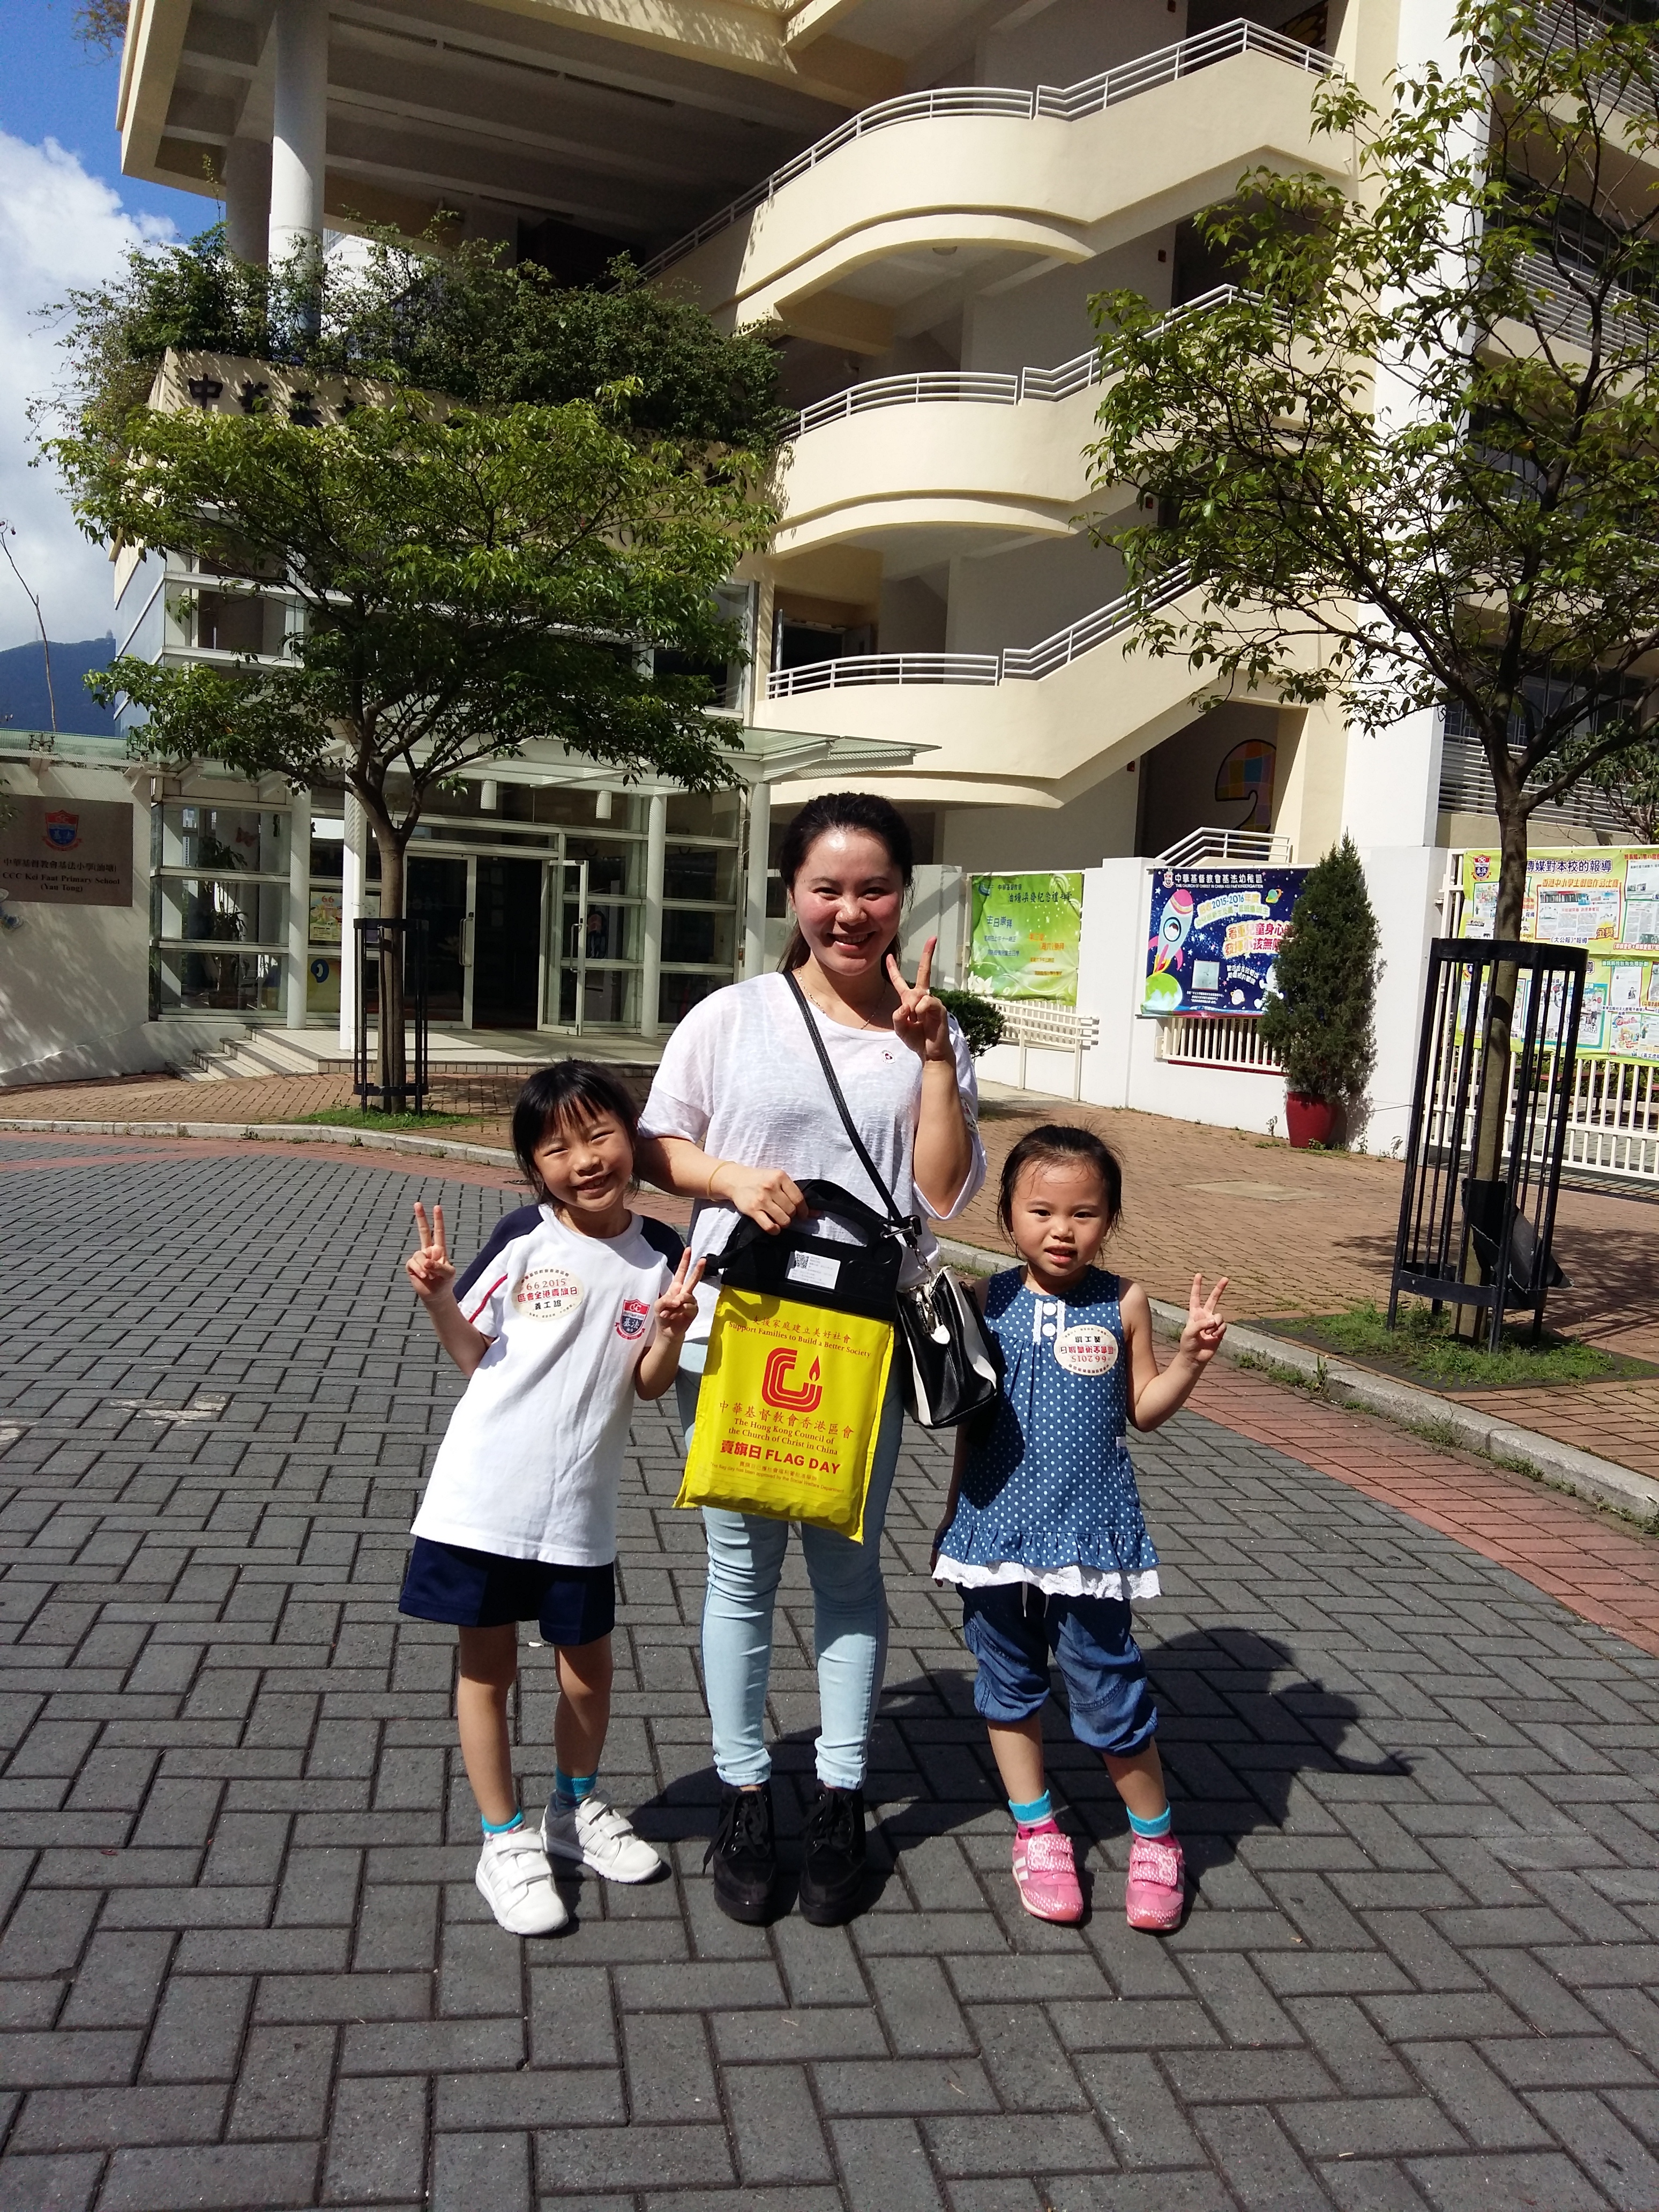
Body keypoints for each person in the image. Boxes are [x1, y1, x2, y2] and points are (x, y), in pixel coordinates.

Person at [637, 791, 985, 1927]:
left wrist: (933, 1063)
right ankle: (745, 1793)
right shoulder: (731, 1016)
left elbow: (943, 1193)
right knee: (740, 1572)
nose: (851, 912)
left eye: (874, 889)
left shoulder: (931, 1031)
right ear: (790, 893)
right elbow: (656, 1147)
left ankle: (839, 1795)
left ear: (904, 898)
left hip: (860, 1339)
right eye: (826, 888)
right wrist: (732, 1178)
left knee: (846, 1568)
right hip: (737, 1327)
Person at [399, 1063, 703, 1937]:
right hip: (483, 1495)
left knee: (588, 1670)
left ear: (631, 1139)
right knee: (487, 1669)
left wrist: (671, 1332)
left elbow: (647, 1385)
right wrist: (440, 1299)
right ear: (535, 1167)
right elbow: (473, 1356)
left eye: (600, 1135)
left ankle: (571, 1811)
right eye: (558, 1148)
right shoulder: (523, 1237)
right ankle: (503, 1840)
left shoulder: (662, 1254)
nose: (585, 1160)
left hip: (579, 1507)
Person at [930, 1124, 1227, 1932]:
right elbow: (969, 1424)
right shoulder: (986, 1300)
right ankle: (1038, 1831)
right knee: (1008, 1682)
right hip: (995, 1533)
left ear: (1110, 1220)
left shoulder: (1123, 1300)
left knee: (1107, 1686)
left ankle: (1156, 1840)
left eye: (1084, 1214)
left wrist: (1189, 1362)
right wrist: (953, 1513)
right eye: (1042, 1212)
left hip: (1090, 1537)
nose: (1062, 1230)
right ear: (1008, 1216)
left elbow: (1144, 1411)